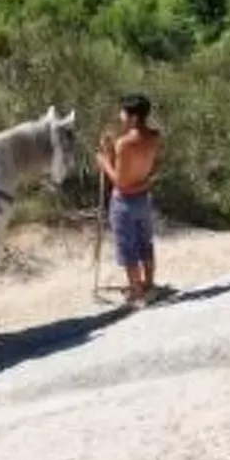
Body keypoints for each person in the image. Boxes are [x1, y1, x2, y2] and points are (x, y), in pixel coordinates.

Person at [96, 93, 163, 309]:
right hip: (143, 199)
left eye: (123, 112)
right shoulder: (154, 136)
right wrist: (111, 152)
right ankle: (149, 285)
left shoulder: (124, 143)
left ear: (133, 117)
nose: (120, 116)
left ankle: (136, 292)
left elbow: (120, 182)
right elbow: (148, 168)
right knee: (145, 243)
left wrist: (104, 162)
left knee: (128, 249)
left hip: (124, 202)